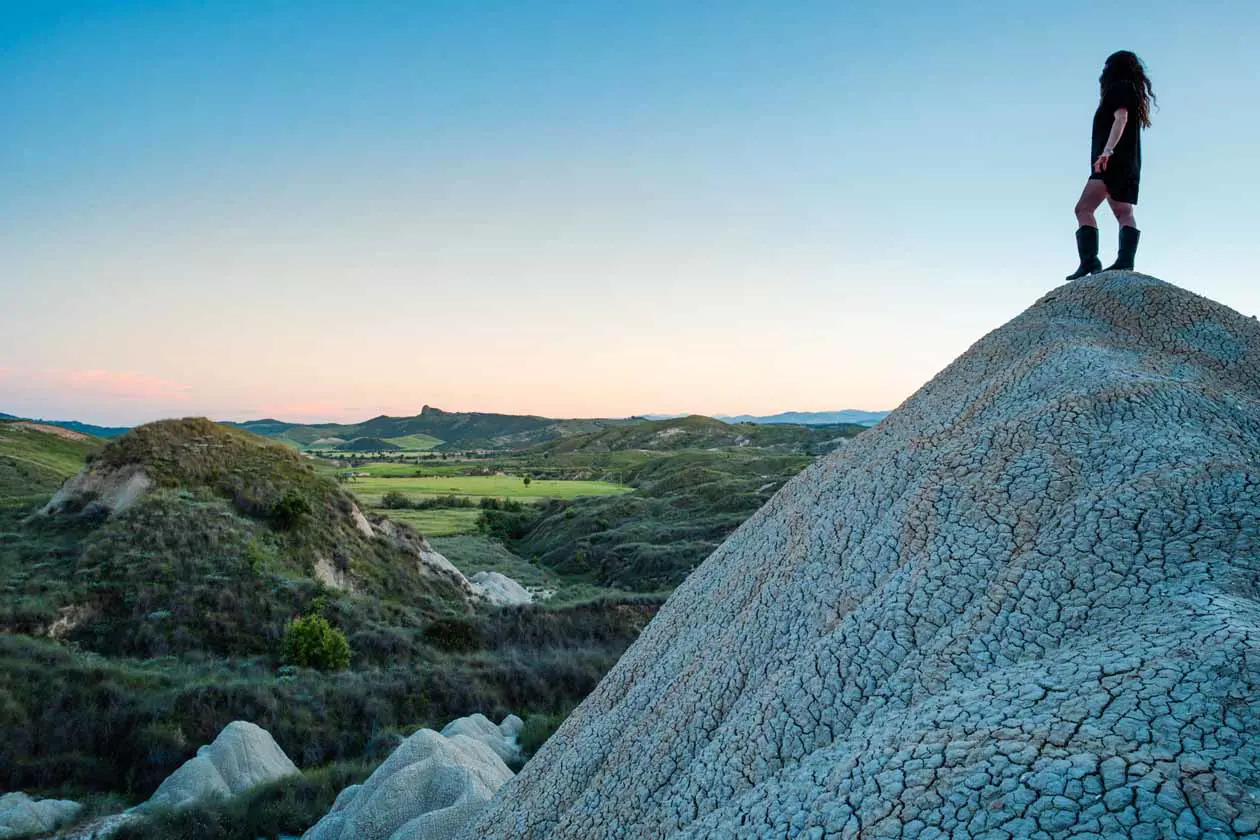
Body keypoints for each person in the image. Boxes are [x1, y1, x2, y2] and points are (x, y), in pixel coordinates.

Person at [1066, 51, 1156, 280]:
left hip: (1111, 162)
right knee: (1124, 212)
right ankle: (1125, 261)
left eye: (1106, 67)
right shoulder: (1132, 92)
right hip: (1129, 162)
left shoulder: (1119, 89)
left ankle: (1090, 261)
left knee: (1083, 209)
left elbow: (1121, 118)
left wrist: (1106, 152)